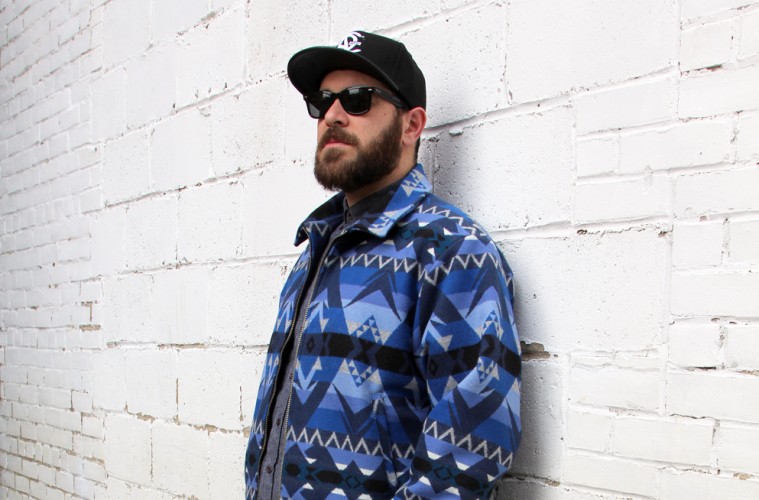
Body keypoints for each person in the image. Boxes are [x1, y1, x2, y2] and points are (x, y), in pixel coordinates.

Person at [244, 30, 521, 499]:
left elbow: (471, 449)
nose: (333, 115)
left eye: (357, 99)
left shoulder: (451, 251)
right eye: (322, 102)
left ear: (412, 125)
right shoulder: (317, 251)